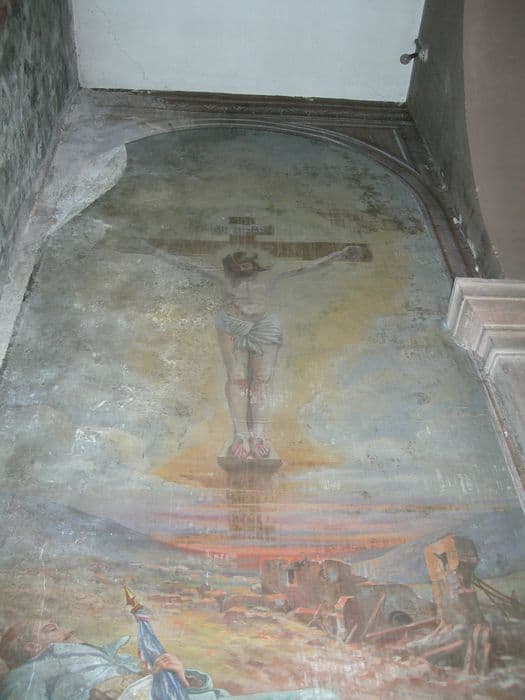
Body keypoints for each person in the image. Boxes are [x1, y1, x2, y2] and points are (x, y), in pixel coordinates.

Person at [139, 243, 356, 461]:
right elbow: (192, 265)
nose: (242, 268)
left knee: (262, 379)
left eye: (246, 263)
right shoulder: (225, 279)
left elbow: (305, 267)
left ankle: (258, 434)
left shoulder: (269, 277)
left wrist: (338, 255)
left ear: (254, 263)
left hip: (265, 325)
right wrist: (156, 251)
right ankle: (241, 435)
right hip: (232, 323)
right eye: (237, 265)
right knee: (237, 378)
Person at [0, 619, 339, 700]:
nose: (68, 630)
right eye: (52, 629)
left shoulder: (101, 656)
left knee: (321, 696)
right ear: (31, 647)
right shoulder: (26, 676)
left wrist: (178, 677)